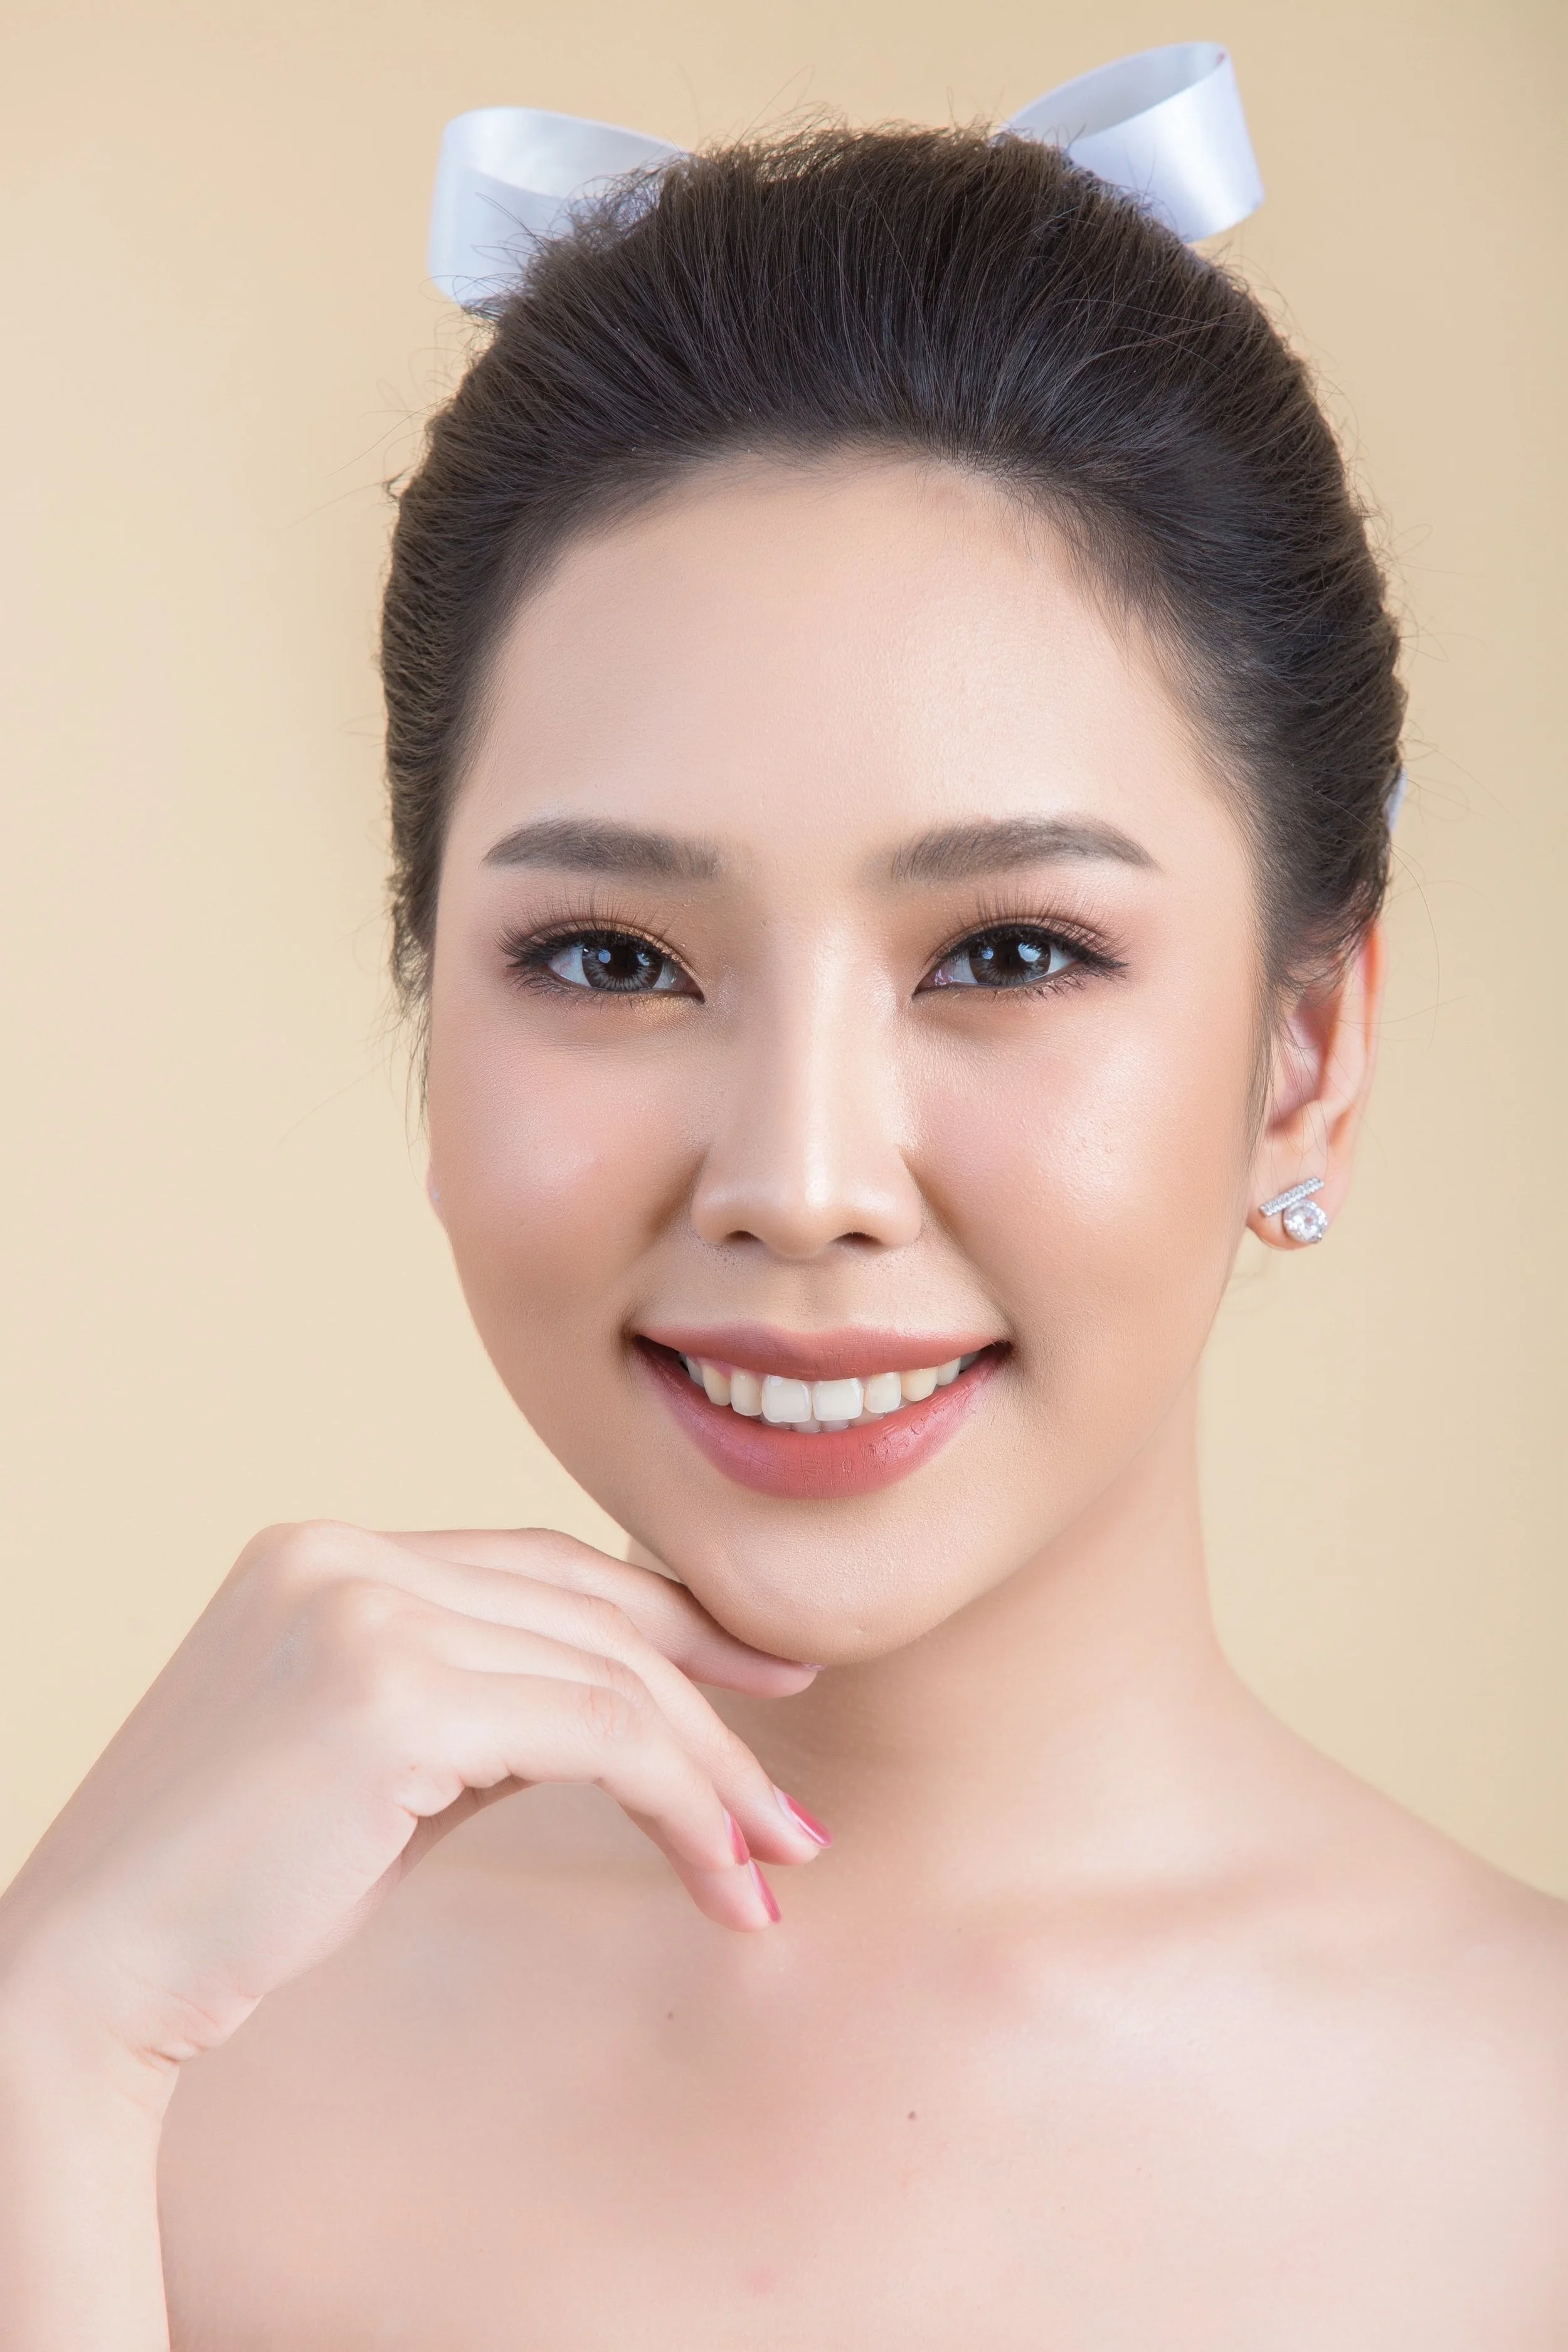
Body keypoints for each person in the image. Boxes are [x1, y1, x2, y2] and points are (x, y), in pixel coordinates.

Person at [1, 113, 1565, 2352]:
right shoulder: (146, 2065)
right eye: (615, 959)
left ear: (1302, 1048)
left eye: (1008, 953)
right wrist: (46, 2041)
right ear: (424, 1001)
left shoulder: (1531, 2145)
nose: (800, 1175)